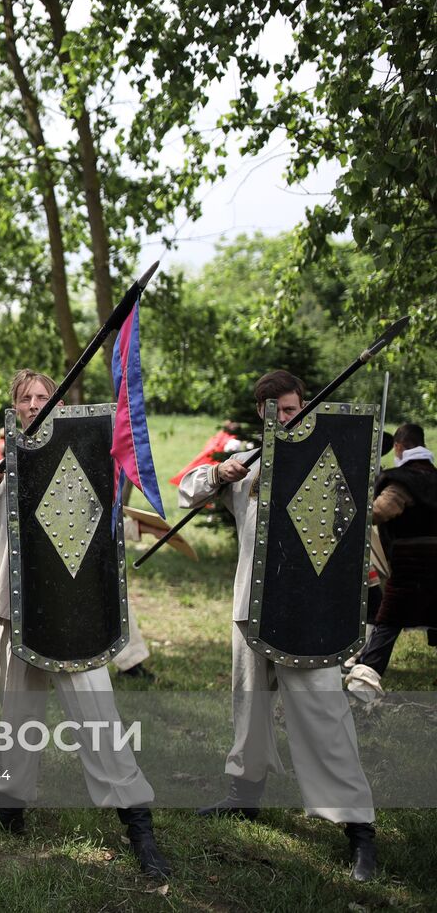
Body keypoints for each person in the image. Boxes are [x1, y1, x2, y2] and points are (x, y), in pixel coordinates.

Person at [0, 369, 169, 879]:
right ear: (15, 407)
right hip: (18, 610)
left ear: (57, 402)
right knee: (16, 717)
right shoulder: (4, 460)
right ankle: (9, 808)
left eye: (44, 396)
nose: (35, 404)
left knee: (99, 720)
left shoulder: (88, 451)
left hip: (75, 614)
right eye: (26, 398)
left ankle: (137, 825)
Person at [179, 369, 377, 882]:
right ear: (261, 412)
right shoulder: (247, 462)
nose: (285, 419)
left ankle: (359, 828)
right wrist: (218, 475)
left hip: (308, 613)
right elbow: (187, 489)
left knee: (324, 714)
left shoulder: (327, 460)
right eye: (276, 412)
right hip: (250, 609)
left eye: (291, 409)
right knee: (249, 707)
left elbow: (349, 526)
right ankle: (243, 794)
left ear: (304, 405)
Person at [348, 423, 437, 690]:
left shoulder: (402, 481)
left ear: (398, 447)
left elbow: (378, 512)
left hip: (410, 565)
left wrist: (353, 508)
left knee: (388, 621)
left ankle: (363, 682)